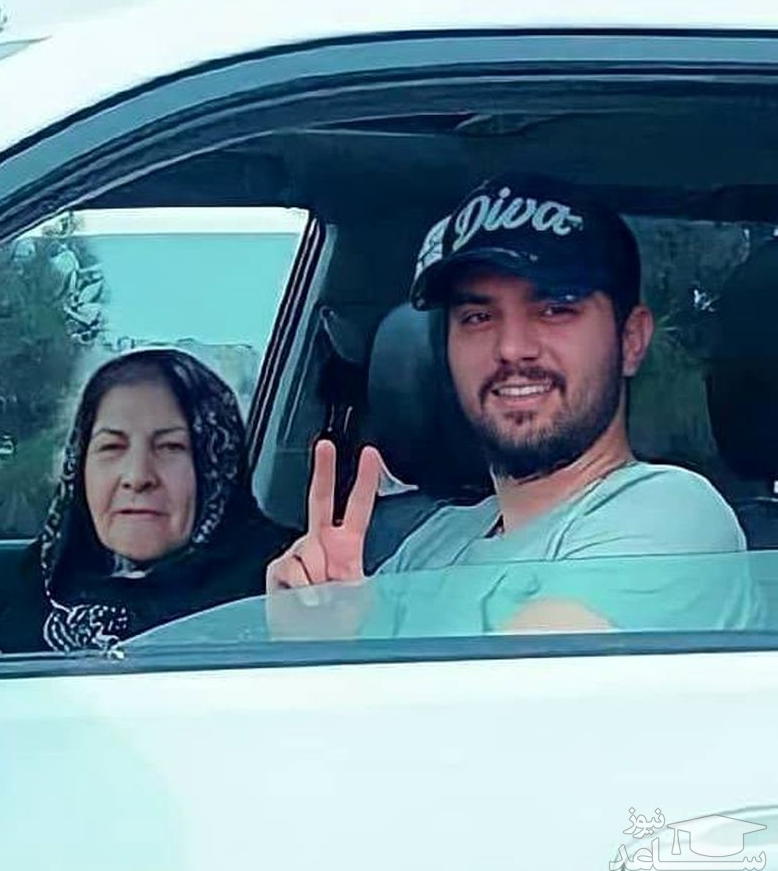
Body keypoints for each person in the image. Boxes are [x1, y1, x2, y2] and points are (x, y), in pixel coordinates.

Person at [266, 173, 754, 635]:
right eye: (478, 317)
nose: (511, 348)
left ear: (630, 340)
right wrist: (317, 636)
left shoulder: (674, 515)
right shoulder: (432, 541)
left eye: (555, 309)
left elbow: (517, 690)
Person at [0, 348, 293, 652]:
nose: (137, 476)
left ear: (217, 465)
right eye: (111, 447)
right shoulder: (45, 579)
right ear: (79, 465)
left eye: (170, 447)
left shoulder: (281, 587)